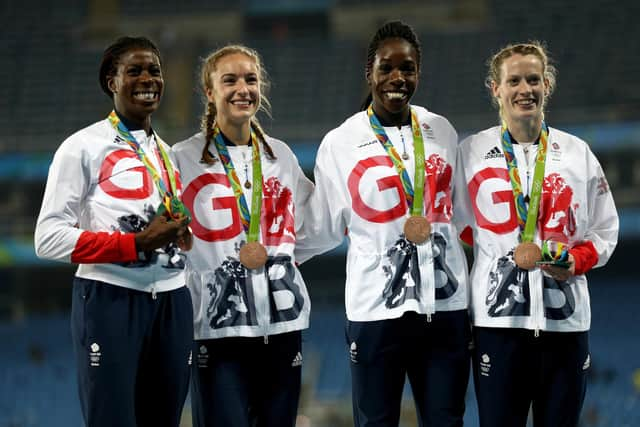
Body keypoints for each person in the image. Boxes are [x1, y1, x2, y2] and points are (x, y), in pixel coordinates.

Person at [297, 21, 471, 427]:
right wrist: (278, 256)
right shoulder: (341, 142)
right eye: (387, 67)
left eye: (407, 69)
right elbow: (321, 225)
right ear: (369, 72)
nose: (398, 78)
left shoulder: (440, 130)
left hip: (445, 306)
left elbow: (460, 212)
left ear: (418, 73)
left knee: (448, 421)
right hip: (375, 309)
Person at [455, 41, 619, 427]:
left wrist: (574, 261)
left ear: (547, 84)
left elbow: (605, 230)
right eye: (513, 80)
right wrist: (499, 256)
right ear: (495, 88)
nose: (524, 89)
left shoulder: (577, 153)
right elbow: (459, 227)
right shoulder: (471, 152)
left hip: (565, 324)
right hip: (498, 326)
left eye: (533, 79)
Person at [34, 36, 194, 427]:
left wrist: (179, 235)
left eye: (154, 70)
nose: (147, 79)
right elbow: (47, 237)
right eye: (134, 70)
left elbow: (162, 228)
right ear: (112, 81)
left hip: (172, 302)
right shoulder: (82, 147)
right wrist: (134, 243)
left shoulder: (167, 153)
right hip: (110, 299)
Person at [170, 44, 313, 427]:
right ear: (209, 91)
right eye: (229, 80)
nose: (242, 89)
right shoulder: (181, 158)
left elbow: (314, 225)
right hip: (217, 327)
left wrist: (285, 262)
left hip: (282, 324)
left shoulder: (279, 155)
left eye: (251, 79)